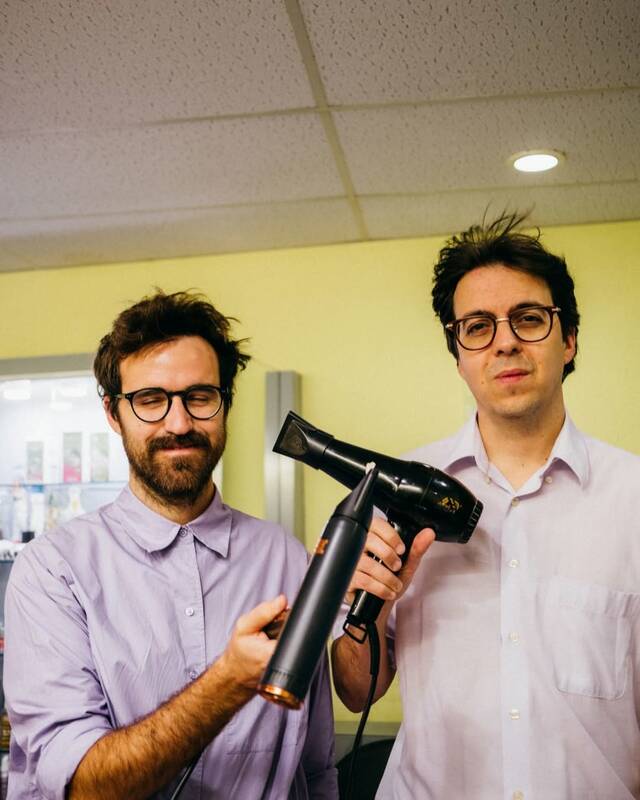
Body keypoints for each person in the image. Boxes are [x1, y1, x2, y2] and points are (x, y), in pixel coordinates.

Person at [331, 213, 640, 799]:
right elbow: (355, 692)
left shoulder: (633, 500)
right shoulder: (393, 492)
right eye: (477, 327)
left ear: (569, 339)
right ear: (459, 356)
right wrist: (367, 608)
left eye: (529, 318)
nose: (505, 342)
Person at [5, 291, 337, 800]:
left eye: (199, 397)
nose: (179, 423)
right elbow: (83, 785)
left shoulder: (285, 559)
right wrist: (227, 681)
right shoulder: (52, 572)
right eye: (150, 400)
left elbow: (314, 767)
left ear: (226, 403)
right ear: (113, 413)